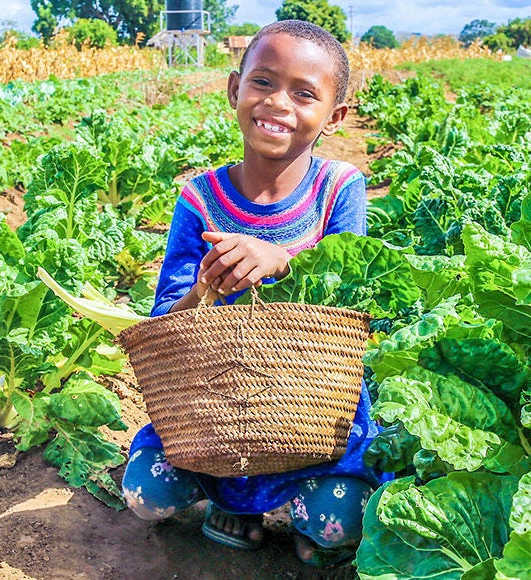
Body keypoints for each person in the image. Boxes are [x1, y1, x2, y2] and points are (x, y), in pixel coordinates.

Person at [122, 19, 390, 567]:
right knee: (146, 494)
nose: (278, 104)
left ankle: (299, 506)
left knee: (341, 523)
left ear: (335, 117)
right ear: (234, 90)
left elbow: (350, 298)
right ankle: (235, 504)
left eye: (305, 93)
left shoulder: (339, 188)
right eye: (263, 82)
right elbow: (164, 318)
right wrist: (202, 288)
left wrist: (280, 260)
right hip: (215, 406)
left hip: (312, 408)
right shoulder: (199, 198)